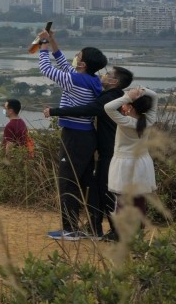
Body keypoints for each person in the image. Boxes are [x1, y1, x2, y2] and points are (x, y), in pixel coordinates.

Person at [46, 66, 133, 241]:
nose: (104, 74)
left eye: (108, 74)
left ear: (114, 82)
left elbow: (86, 109)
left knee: (107, 192)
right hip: (108, 151)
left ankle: (116, 231)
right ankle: (95, 228)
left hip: (110, 153)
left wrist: (55, 111)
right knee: (99, 190)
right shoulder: (115, 96)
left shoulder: (110, 98)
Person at [37, 30, 107, 240]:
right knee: (86, 182)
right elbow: (64, 65)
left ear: (83, 64)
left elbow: (46, 68)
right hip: (86, 136)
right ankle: (94, 229)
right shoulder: (92, 80)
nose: (75, 57)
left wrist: (41, 44)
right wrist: (52, 41)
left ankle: (69, 229)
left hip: (74, 137)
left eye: (78, 55)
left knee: (67, 182)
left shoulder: (74, 81)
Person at [104, 86, 158, 220]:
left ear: (131, 107)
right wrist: (144, 91)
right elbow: (155, 96)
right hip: (142, 163)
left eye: (126, 104)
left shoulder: (125, 121)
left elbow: (108, 107)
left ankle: (122, 233)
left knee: (122, 201)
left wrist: (128, 96)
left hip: (124, 164)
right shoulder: (149, 120)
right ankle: (139, 232)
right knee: (139, 201)